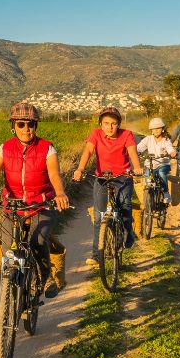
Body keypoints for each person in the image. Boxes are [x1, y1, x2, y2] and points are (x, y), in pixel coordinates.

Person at [0, 101, 70, 329]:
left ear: (36, 125)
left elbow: (53, 173)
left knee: (37, 240)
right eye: (21, 124)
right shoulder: (5, 148)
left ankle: (45, 278)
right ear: (13, 125)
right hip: (12, 208)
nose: (26, 128)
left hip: (40, 205)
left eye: (31, 124)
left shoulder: (47, 148)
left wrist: (60, 193)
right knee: (5, 260)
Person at [73, 106, 142, 256]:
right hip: (102, 178)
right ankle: (96, 255)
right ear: (101, 124)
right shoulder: (95, 135)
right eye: (106, 123)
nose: (110, 127)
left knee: (124, 206)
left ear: (118, 124)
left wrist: (136, 167)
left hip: (123, 177)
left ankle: (129, 232)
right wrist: (80, 169)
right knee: (98, 216)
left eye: (113, 123)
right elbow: (89, 151)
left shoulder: (126, 134)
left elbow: (132, 151)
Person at [137, 117, 176, 204]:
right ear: (151, 130)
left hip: (163, 164)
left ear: (162, 129)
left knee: (162, 174)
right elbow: (139, 147)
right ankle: (148, 198)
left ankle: (166, 193)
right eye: (154, 129)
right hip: (150, 164)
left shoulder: (166, 140)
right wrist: (135, 152)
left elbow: (170, 148)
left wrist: (172, 152)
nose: (156, 130)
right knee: (147, 177)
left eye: (158, 128)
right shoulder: (148, 139)